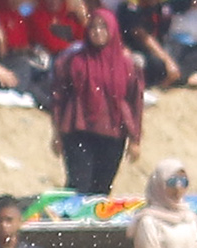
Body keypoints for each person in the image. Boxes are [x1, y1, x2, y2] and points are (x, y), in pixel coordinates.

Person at [50, 8, 143, 194]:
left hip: (113, 133)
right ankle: (74, 223)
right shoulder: (73, 61)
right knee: (78, 185)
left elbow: (135, 102)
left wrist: (135, 139)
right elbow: (59, 98)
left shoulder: (127, 65)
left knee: (102, 188)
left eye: (103, 27)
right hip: (78, 131)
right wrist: (57, 133)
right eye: (93, 27)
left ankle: (94, 223)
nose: (98, 32)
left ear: (113, 30)